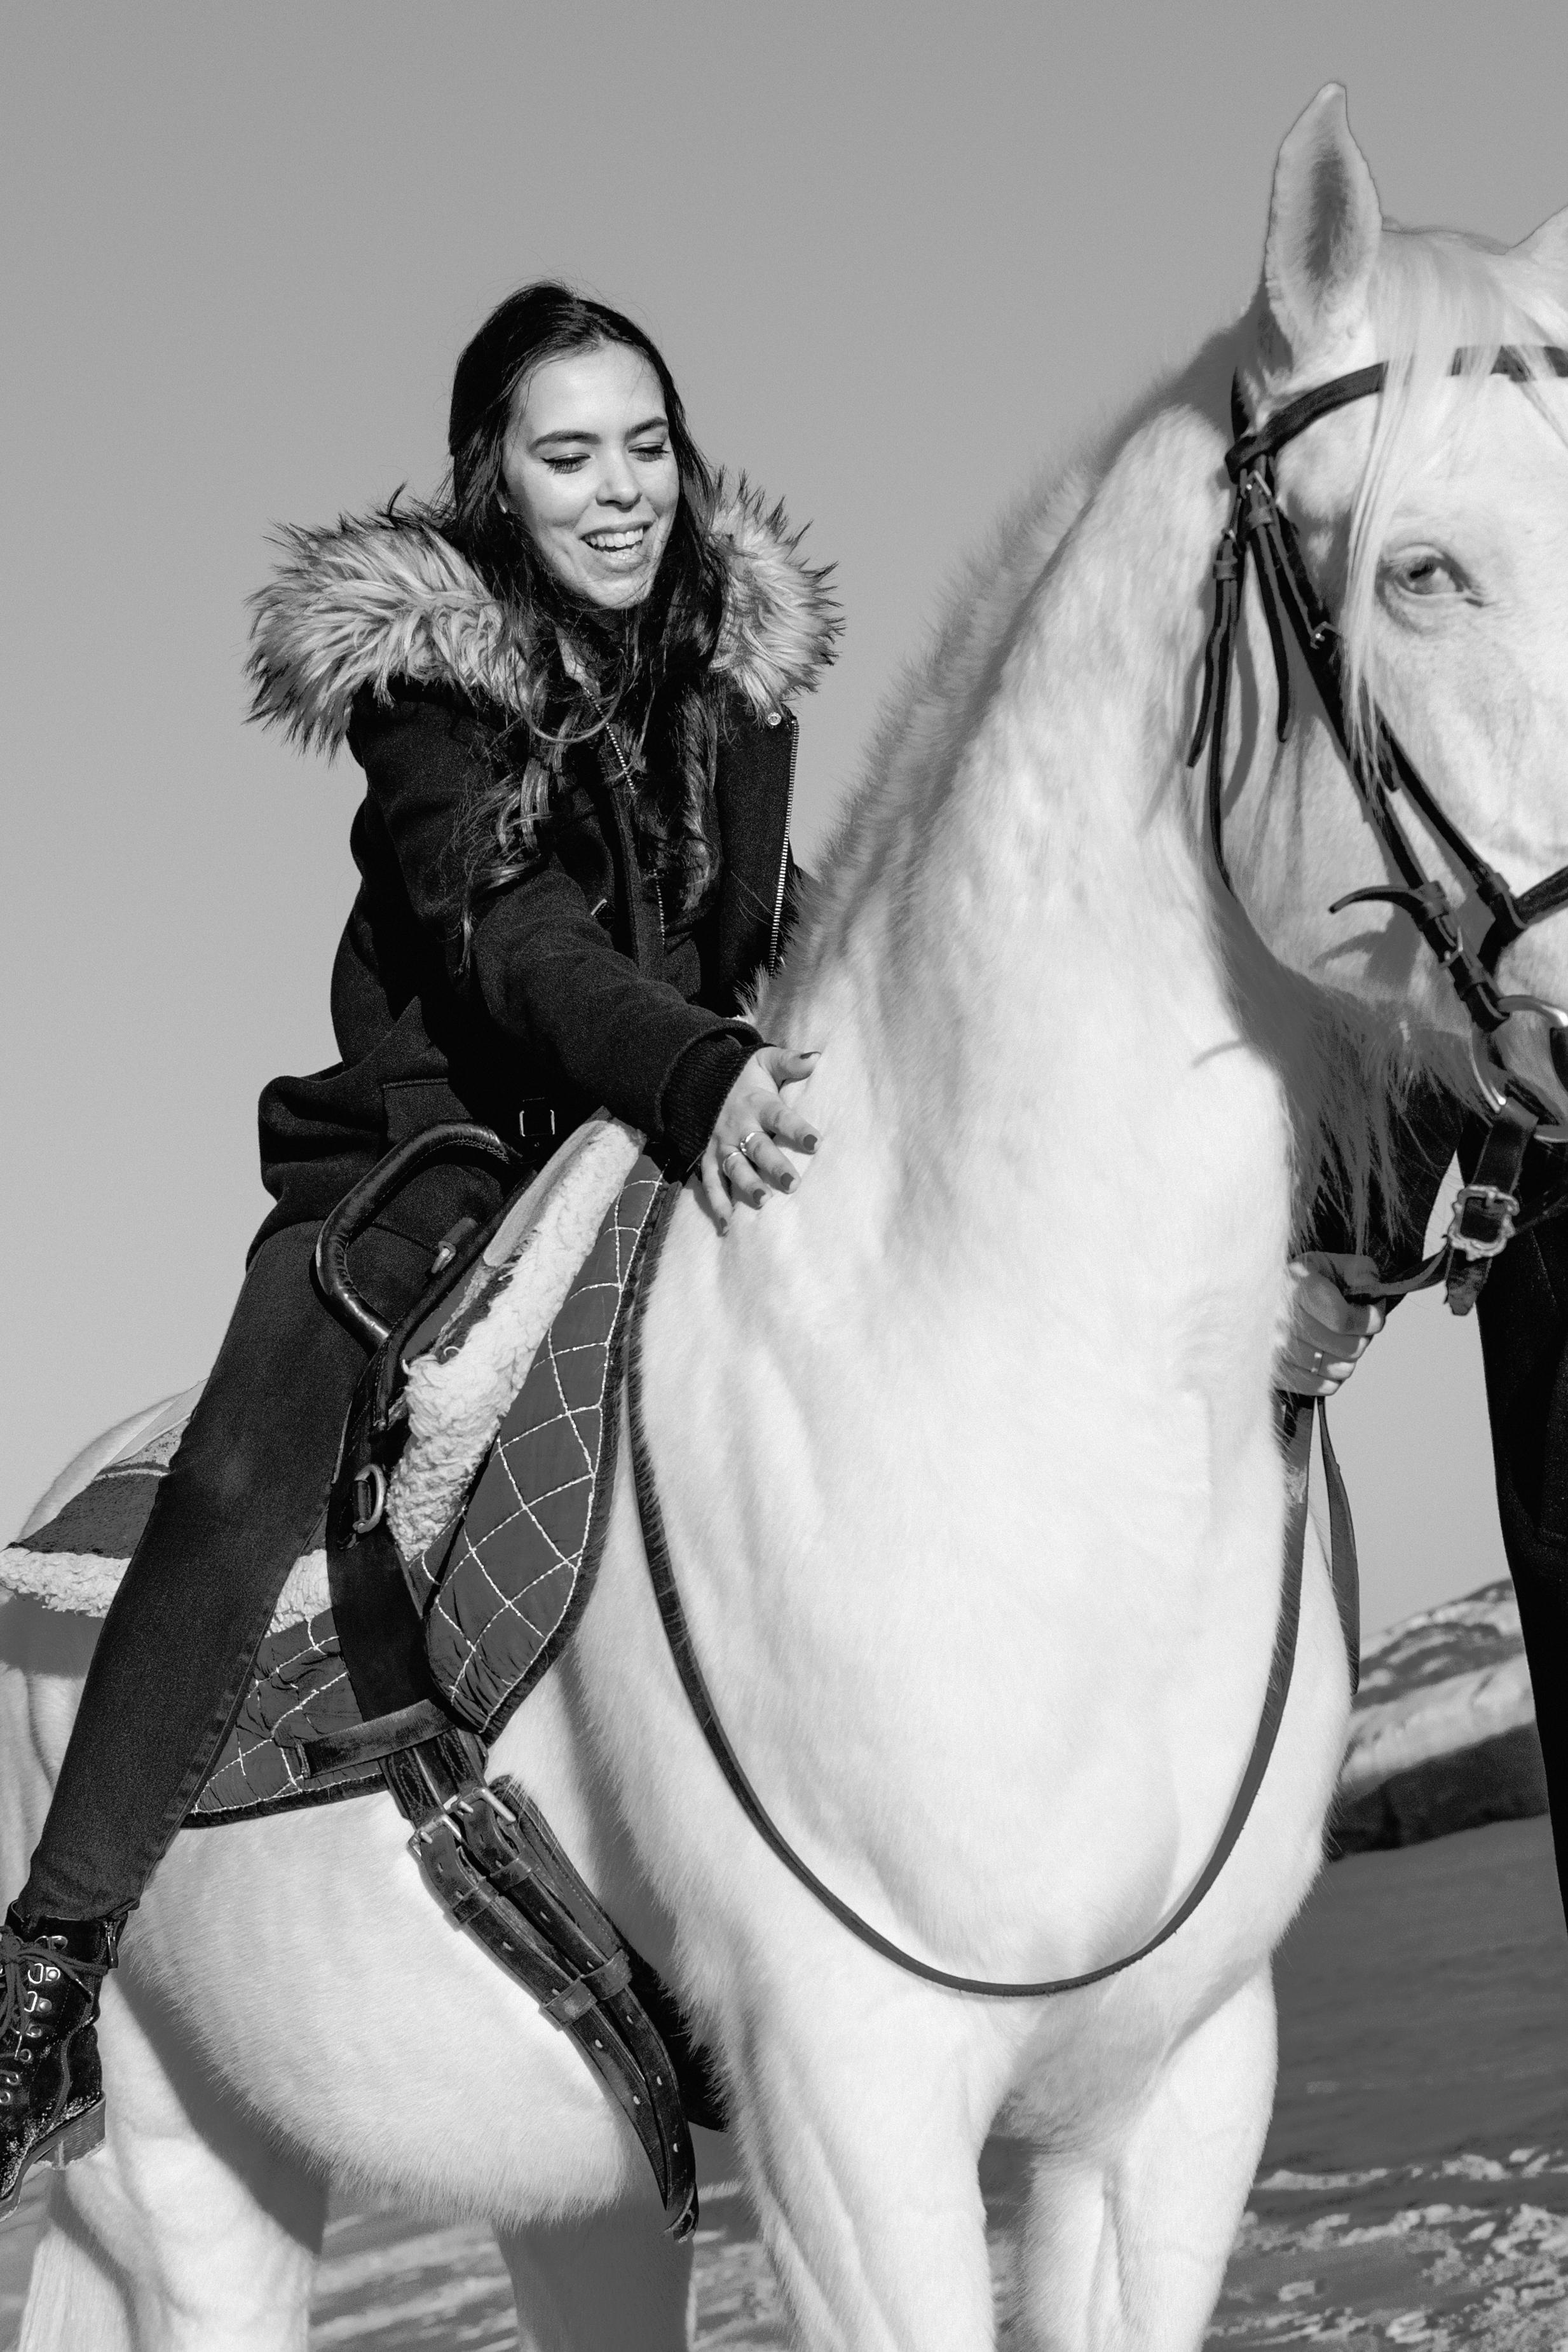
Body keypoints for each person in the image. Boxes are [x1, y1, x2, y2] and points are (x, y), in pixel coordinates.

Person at [0, 283, 838, 2210]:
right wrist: (701, 1068)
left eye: (647, 444)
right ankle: (47, 1963)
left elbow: (758, 907)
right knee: (227, 1482)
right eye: (569, 456)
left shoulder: (734, 677)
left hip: (668, 1136)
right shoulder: (435, 690)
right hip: (437, 1160)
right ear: (497, 482)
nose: (620, 490)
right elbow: (513, 945)